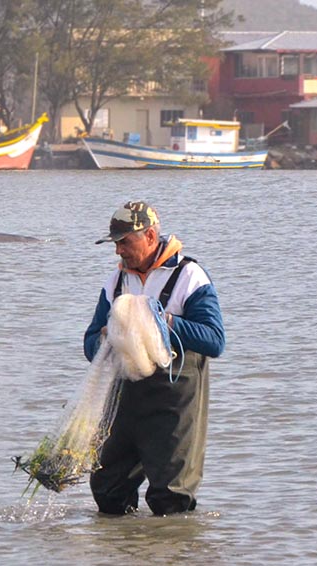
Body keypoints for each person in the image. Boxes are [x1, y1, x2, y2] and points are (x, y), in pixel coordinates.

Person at [84, 201, 225, 516]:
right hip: (123, 399)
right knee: (108, 491)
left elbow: (215, 341)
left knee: (169, 499)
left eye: (124, 242)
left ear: (149, 235)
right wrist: (108, 339)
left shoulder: (189, 276)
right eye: (116, 243)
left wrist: (165, 321)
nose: (118, 251)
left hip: (174, 404)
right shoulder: (116, 282)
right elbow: (89, 341)